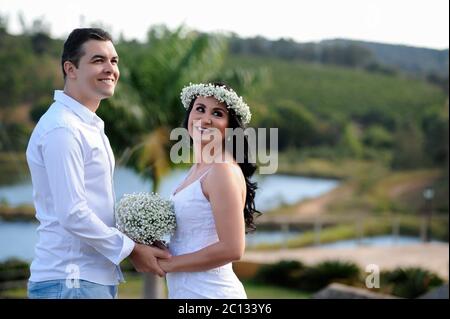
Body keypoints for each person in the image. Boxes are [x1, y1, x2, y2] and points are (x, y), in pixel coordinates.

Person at [25, 28, 170, 299]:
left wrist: (136, 237)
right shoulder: (63, 129)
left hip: (86, 280)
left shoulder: (87, 126)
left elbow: (92, 207)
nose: (110, 69)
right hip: (70, 281)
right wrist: (132, 250)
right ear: (71, 69)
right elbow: (73, 213)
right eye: (98, 60)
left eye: (114, 61)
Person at [159, 82, 260, 298]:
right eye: (200, 109)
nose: (205, 119)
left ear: (229, 126)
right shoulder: (197, 169)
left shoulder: (222, 170)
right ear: (189, 116)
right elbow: (190, 238)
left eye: (217, 113)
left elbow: (232, 249)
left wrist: (168, 264)